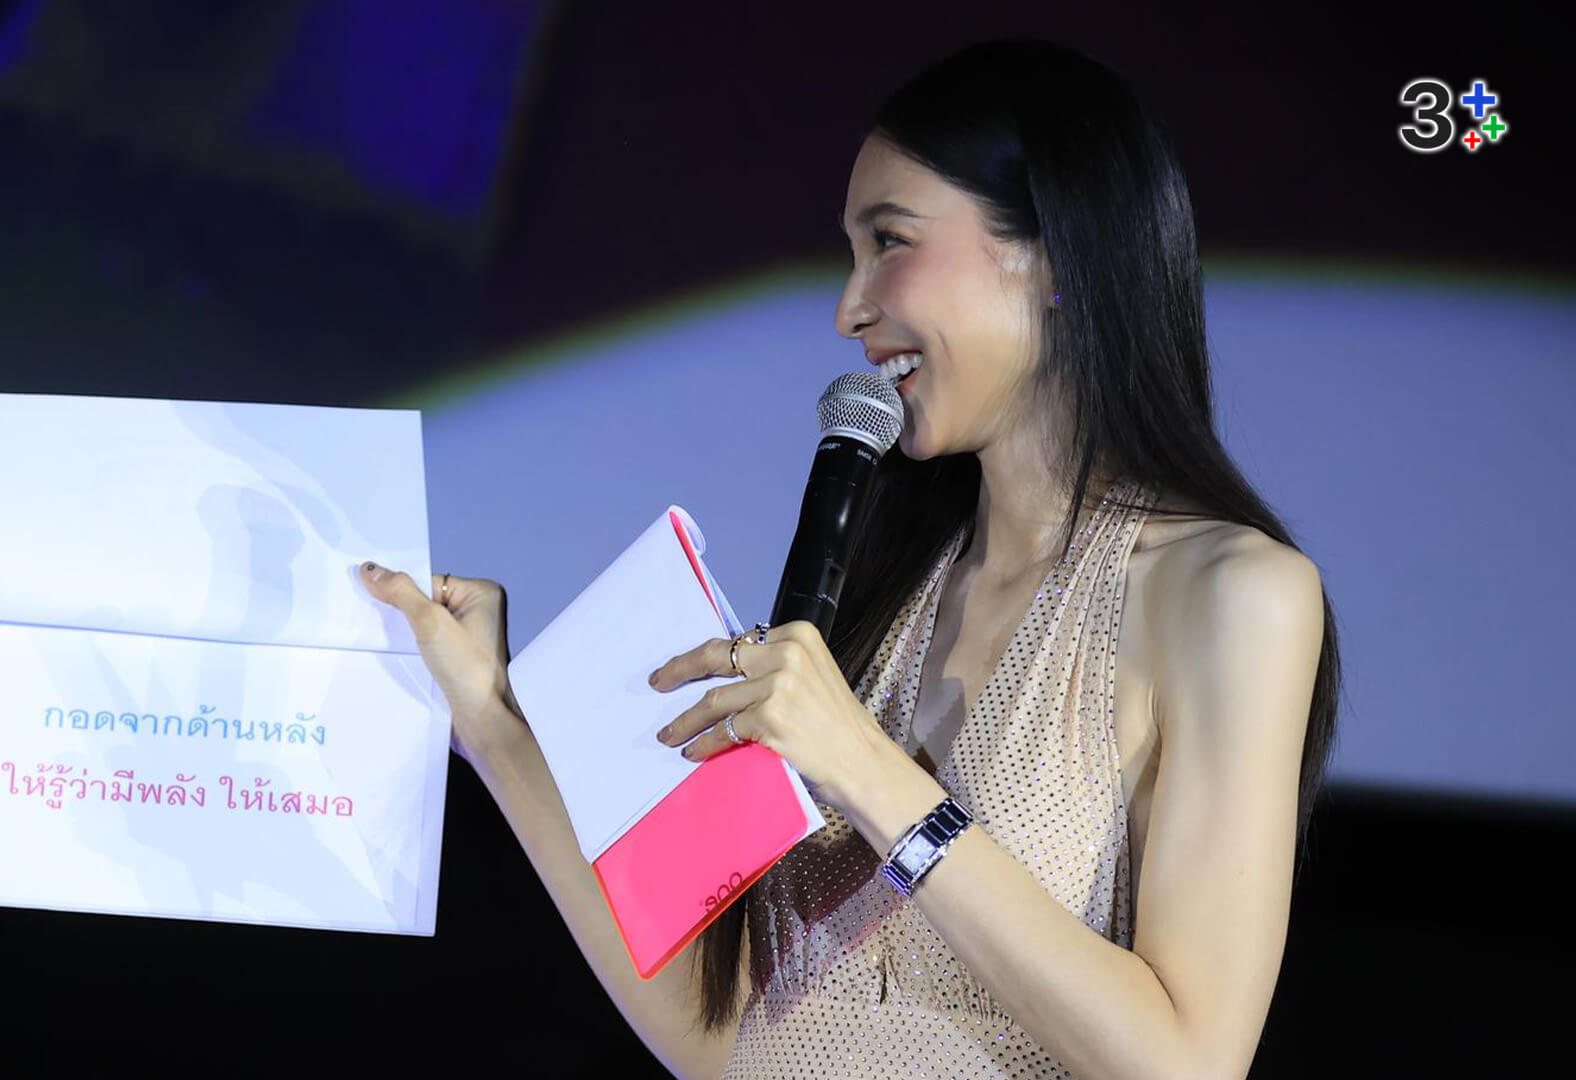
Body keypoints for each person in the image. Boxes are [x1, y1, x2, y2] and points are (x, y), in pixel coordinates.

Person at [356, 37, 1339, 1080]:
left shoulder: (1233, 596)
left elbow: (1189, 1063)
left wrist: (863, 766)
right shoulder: (891, 589)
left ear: (1054, 254)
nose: (850, 308)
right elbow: (717, 1036)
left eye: (890, 242)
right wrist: (492, 722)